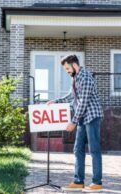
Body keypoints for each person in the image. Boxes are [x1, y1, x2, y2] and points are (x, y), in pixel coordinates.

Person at [47, 54, 103, 192]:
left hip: (92, 116)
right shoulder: (76, 78)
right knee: (78, 149)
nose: (66, 71)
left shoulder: (85, 77)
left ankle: (97, 183)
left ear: (74, 64)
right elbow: (71, 96)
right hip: (82, 118)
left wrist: (73, 122)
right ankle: (79, 181)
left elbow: (83, 103)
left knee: (94, 149)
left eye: (67, 68)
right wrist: (56, 101)